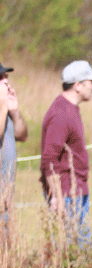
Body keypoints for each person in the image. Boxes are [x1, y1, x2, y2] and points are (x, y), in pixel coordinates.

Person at [39, 61, 92, 248]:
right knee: (70, 249)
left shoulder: (70, 108)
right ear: (78, 85)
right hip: (67, 192)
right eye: (91, 82)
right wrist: (57, 197)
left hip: (78, 188)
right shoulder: (61, 114)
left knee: (82, 246)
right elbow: (49, 159)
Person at [0, 61, 28, 220]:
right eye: (0, 78)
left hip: (6, 197)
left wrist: (14, 110)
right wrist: (3, 105)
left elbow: (22, 136)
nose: (6, 81)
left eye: (5, 76)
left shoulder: (5, 108)